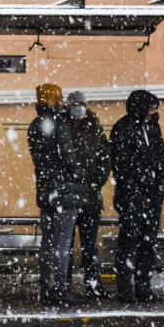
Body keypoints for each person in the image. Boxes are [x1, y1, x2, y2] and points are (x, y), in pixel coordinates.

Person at [27, 84, 87, 307]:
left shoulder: (35, 125)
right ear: (54, 101)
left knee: (47, 241)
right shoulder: (59, 124)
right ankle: (61, 288)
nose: (63, 102)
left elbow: (39, 158)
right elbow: (68, 158)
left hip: (45, 190)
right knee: (63, 242)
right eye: (60, 99)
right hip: (64, 191)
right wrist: (79, 176)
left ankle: (46, 287)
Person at [110, 90, 164, 303]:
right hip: (132, 195)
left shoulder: (152, 127)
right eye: (151, 107)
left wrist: (162, 182)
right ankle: (126, 288)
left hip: (152, 194)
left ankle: (143, 286)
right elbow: (120, 164)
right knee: (129, 241)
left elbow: (161, 155)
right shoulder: (123, 128)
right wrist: (133, 189)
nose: (154, 112)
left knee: (148, 241)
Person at [65, 92, 112, 298]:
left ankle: (93, 285)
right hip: (67, 197)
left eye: (82, 104)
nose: (79, 108)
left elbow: (104, 160)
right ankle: (63, 284)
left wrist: (94, 184)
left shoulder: (95, 129)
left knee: (89, 246)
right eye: (75, 104)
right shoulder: (62, 127)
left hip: (90, 197)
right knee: (65, 244)